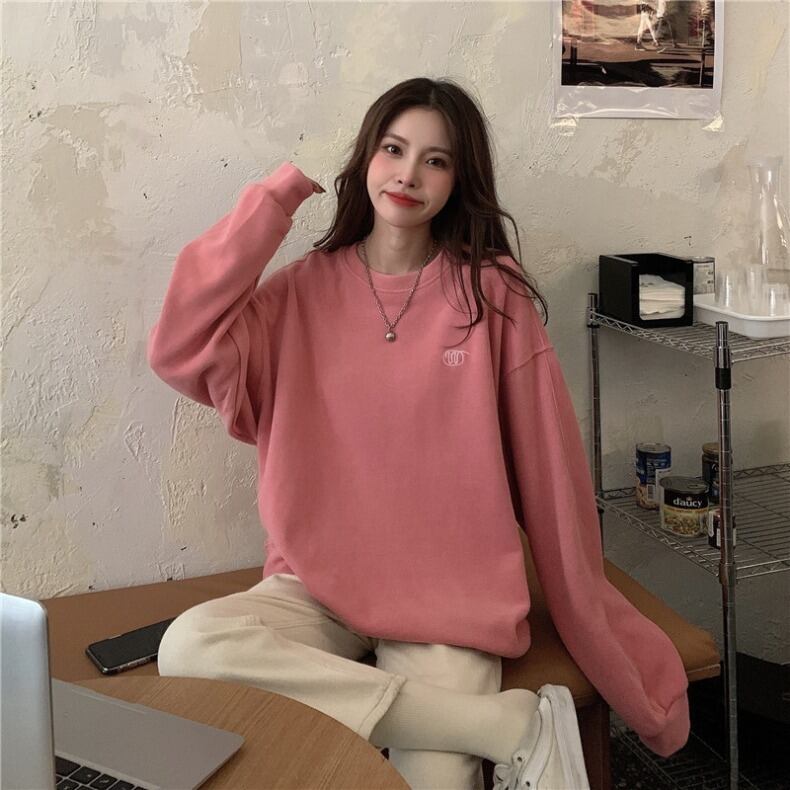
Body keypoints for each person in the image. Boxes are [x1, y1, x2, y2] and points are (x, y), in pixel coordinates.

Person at [147, 77, 690, 790]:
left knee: (430, 778)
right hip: (316, 592)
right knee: (189, 646)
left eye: (436, 160)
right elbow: (180, 346)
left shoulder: (490, 296)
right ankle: (509, 726)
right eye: (393, 149)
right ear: (365, 159)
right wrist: (276, 200)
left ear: (459, 181)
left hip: (450, 608)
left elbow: (550, 476)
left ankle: (470, 726)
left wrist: (595, 625)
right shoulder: (298, 292)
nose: (408, 174)